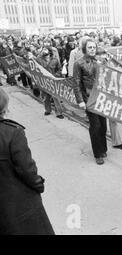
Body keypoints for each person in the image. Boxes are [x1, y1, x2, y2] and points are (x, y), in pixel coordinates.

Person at [0, 88, 55, 234]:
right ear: (4, 107)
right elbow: (27, 169)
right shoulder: (12, 132)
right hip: (21, 208)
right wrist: (38, 184)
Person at [73, 39, 108, 165]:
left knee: (103, 125)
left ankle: (103, 148)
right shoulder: (79, 63)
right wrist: (80, 101)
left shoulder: (100, 61)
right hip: (88, 99)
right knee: (95, 126)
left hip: (101, 98)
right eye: (90, 47)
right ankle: (97, 153)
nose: (92, 49)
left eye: (94, 47)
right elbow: (76, 83)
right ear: (85, 49)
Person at [95, 47, 122, 150]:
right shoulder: (94, 65)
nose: (102, 56)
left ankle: (117, 142)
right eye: (100, 54)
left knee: (113, 120)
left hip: (110, 95)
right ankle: (100, 144)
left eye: (103, 54)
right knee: (99, 123)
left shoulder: (109, 64)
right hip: (98, 96)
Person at [36, 46, 64, 119]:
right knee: (45, 97)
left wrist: (54, 76)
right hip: (44, 82)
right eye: (43, 49)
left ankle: (59, 113)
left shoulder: (55, 60)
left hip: (53, 81)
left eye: (45, 50)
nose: (44, 51)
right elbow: (35, 69)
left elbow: (60, 69)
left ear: (49, 52)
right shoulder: (39, 59)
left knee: (56, 97)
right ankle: (47, 110)